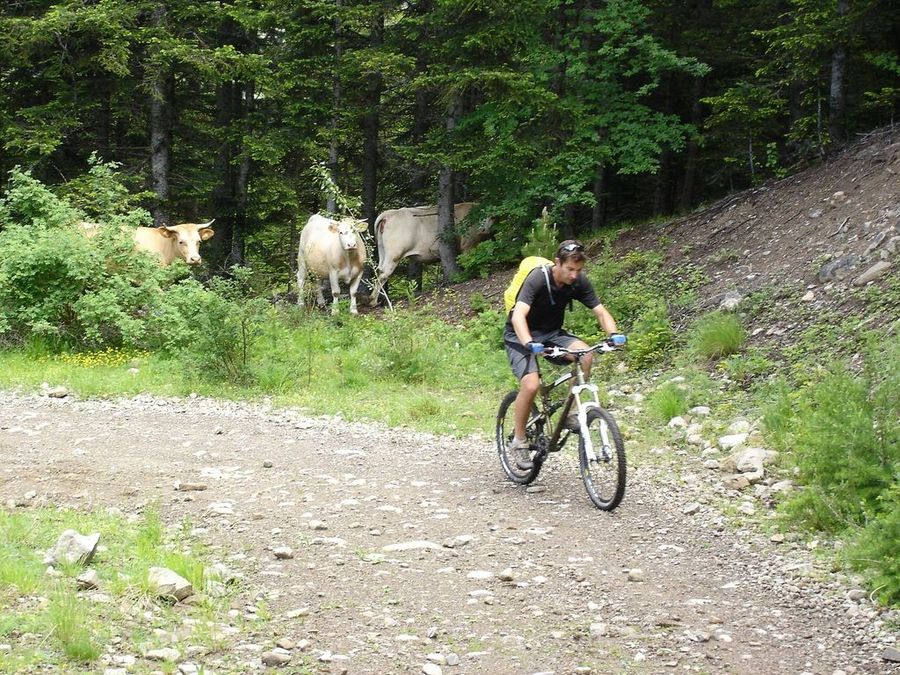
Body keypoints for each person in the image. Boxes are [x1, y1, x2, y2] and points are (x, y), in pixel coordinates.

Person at [504, 239, 625, 469]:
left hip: (551, 334)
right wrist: (528, 342)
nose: (574, 275)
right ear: (557, 263)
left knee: (585, 355)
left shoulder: (578, 282)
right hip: (520, 335)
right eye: (570, 269)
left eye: (578, 270)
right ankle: (519, 441)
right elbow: (519, 315)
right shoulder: (538, 279)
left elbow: (600, 312)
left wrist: (614, 334)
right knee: (530, 385)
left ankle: (571, 415)